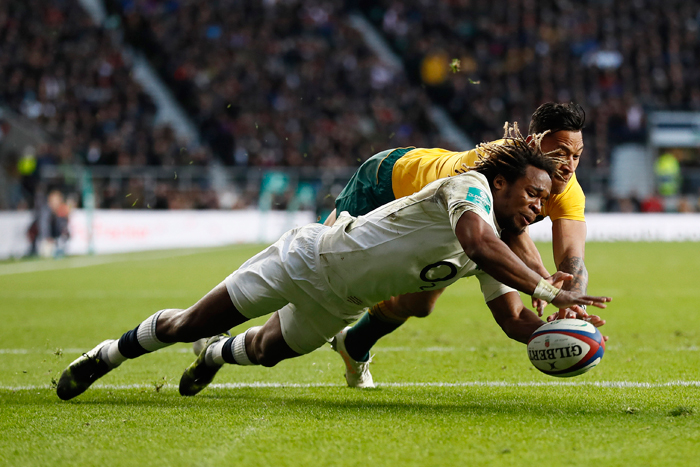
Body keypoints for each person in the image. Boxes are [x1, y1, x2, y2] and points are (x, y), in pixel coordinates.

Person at [56, 130, 611, 401]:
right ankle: (105, 356)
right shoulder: (468, 189)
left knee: (266, 353)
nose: (540, 208)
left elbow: (514, 321)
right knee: (186, 325)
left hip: (339, 303)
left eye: (545, 200)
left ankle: (217, 354)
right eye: (533, 195)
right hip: (305, 260)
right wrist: (547, 283)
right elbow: (474, 240)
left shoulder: (503, 247)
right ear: (501, 183)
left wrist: (566, 331)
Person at [325, 102, 593, 388]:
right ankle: (277, 311)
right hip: (388, 182)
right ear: (532, 143)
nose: (569, 166)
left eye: (576, 155)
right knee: (324, 268)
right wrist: (545, 283)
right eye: (560, 153)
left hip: (445, 228)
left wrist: (573, 303)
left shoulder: (569, 190)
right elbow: (506, 235)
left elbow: (571, 257)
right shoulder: (496, 163)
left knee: (420, 303)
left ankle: (353, 345)